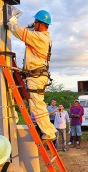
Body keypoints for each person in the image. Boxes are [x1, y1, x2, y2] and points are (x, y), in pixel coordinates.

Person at [7, 10, 56, 141]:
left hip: (36, 77)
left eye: (36, 22)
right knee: (34, 103)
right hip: (37, 76)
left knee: (37, 106)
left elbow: (18, 31)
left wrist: (12, 20)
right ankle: (46, 130)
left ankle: (49, 132)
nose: (34, 24)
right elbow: (30, 30)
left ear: (41, 24)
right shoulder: (43, 36)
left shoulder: (40, 37)